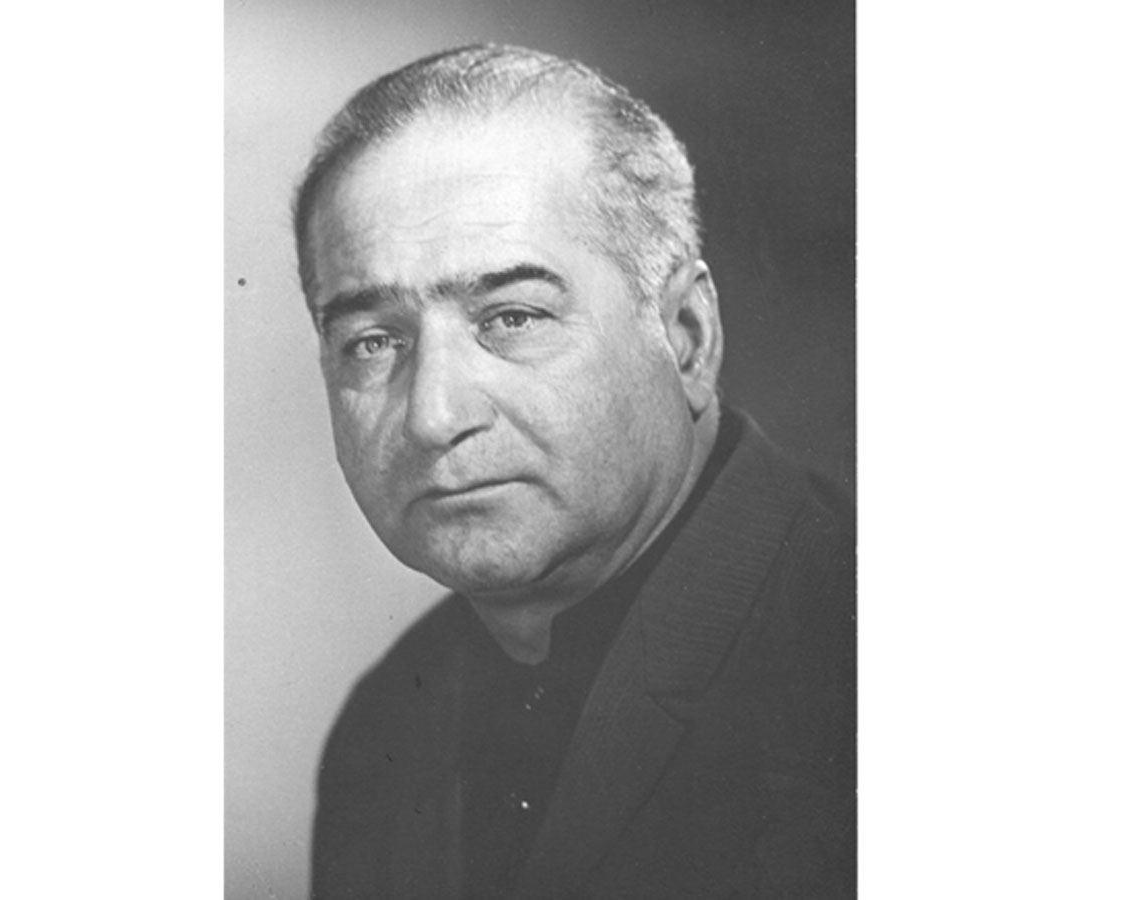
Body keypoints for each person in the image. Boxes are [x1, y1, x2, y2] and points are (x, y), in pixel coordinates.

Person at [294, 44, 855, 899]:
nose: (433, 415)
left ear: (686, 336)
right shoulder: (384, 732)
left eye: (512, 317)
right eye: (373, 342)